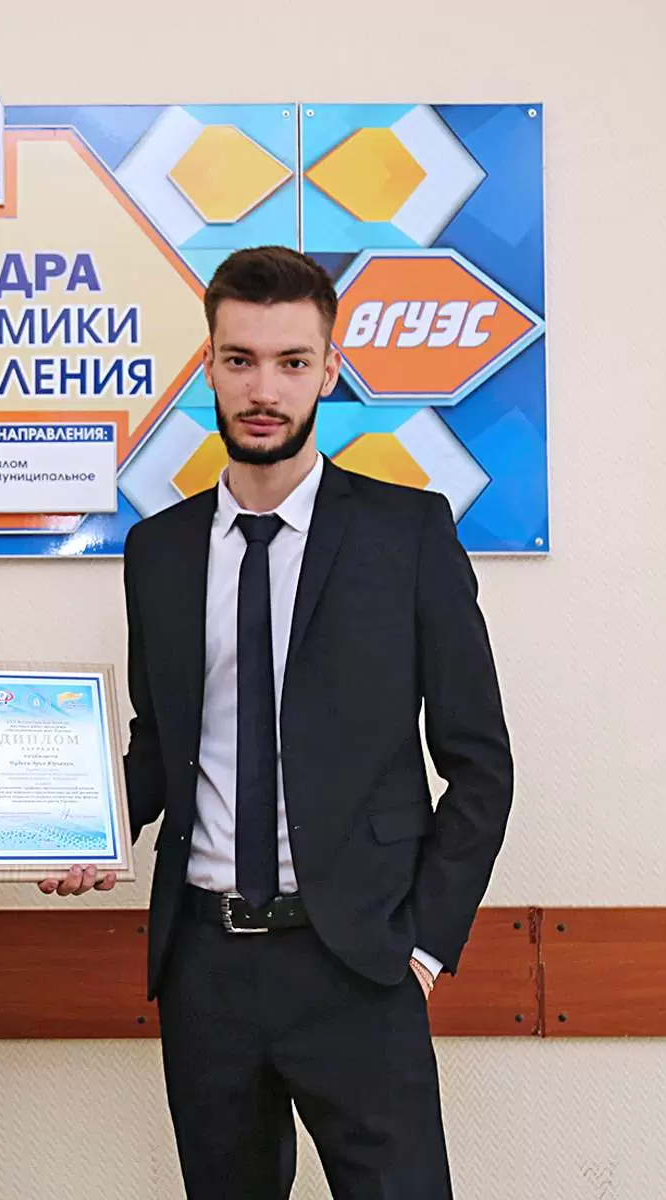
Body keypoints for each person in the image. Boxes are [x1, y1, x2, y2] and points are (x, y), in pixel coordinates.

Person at [43, 246, 513, 1198]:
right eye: (241, 359)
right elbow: (163, 747)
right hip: (204, 966)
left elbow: (480, 763)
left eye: (293, 361)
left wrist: (423, 947)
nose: (265, 389)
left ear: (329, 369)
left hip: (359, 961)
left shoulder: (407, 534)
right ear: (209, 366)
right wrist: (81, 826)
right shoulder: (159, 551)